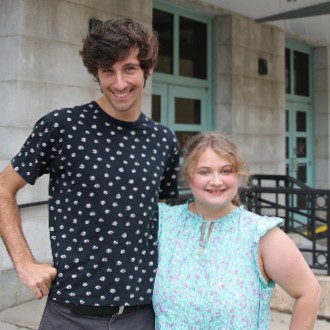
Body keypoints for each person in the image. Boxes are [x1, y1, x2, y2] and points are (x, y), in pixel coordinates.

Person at [0, 17, 179, 330]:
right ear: (95, 72)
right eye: (107, 70)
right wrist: (25, 263)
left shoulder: (163, 140)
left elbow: (168, 219)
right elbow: (3, 188)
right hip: (70, 314)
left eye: (129, 68)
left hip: (142, 314)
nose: (119, 82)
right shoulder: (62, 127)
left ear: (148, 69)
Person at [153, 131, 321, 329]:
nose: (216, 181)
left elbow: (309, 292)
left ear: (238, 175)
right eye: (205, 172)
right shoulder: (165, 222)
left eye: (226, 171)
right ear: (188, 175)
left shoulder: (260, 234)